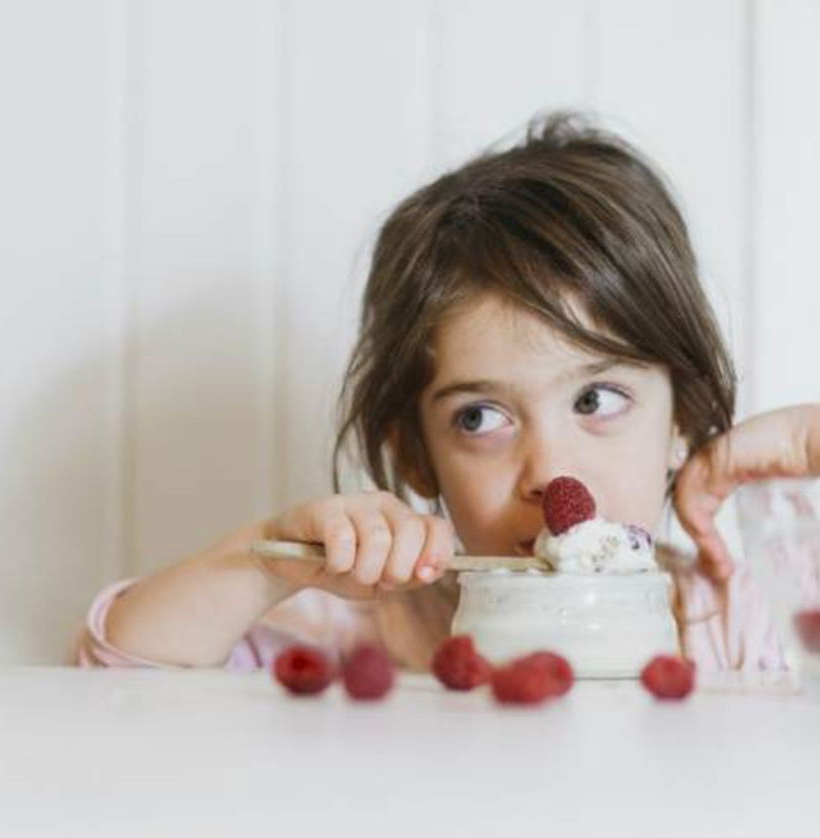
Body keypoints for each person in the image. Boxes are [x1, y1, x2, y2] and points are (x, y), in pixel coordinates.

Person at [73, 111, 812, 674]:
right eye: (481, 417)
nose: (552, 475)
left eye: (594, 401)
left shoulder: (743, 626)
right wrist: (264, 565)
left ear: (683, 416)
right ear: (416, 454)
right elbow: (119, 678)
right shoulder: (365, 629)